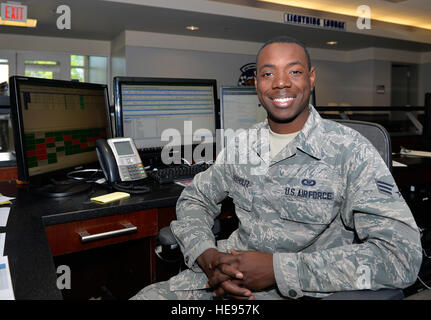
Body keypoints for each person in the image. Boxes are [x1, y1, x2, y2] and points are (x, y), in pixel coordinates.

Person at [131, 35, 422, 300]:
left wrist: (278, 270)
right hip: (221, 278)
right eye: (268, 74)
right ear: (256, 84)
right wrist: (205, 254)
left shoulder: (350, 151)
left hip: (302, 291)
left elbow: (400, 258)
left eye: (294, 72)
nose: (280, 83)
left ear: (311, 79)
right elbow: (196, 197)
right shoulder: (242, 145)